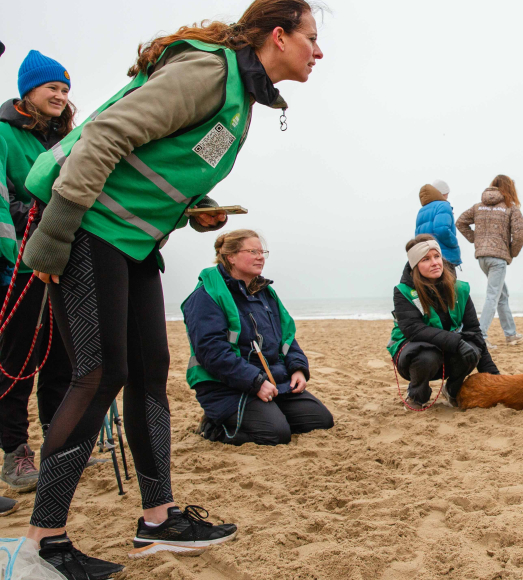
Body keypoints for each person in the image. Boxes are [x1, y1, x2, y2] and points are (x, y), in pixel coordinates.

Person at [19, 0, 324, 575]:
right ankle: (42, 544)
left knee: (148, 372)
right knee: (98, 373)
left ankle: (159, 521)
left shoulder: (240, 94)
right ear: (279, 36)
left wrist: (195, 206)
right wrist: (56, 233)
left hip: (134, 242)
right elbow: (107, 134)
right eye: (312, 37)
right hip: (90, 228)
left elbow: (158, 158)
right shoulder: (209, 71)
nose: (320, 51)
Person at [0, 51, 76, 495]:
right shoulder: (6, 135)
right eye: (53, 88)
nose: (61, 97)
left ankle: (59, 443)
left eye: (65, 91)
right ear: (28, 90)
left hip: (62, 265)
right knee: (17, 361)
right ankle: (15, 451)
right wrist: (14, 255)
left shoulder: (63, 140)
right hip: (22, 265)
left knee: (62, 359)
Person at [182, 230, 333, 446]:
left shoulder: (264, 293)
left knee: (321, 420)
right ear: (230, 257)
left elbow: (286, 338)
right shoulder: (206, 296)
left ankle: (268, 414)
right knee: (276, 434)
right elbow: (211, 352)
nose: (260, 257)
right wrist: (255, 381)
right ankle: (213, 427)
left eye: (262, 252)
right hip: (225, 387)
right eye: (253, 251)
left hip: (271, 382)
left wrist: (298, 368)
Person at [388, 235, 499, 408]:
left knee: (472, 348)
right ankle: (418, 395)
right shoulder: (403, 292)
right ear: (415, 265)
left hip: (448, 350)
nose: (434, 263)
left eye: (437, 256)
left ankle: (452, 391)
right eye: (426, 259)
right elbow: (414, 330)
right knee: (428, 356)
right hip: (414, 354)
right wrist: (457, 342)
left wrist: (494, 377)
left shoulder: (459, 289)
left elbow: (475, 331)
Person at [456, 175, 523, 348]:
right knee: (493, 296)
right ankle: (481, 336)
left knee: (502, 294)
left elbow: (460, 222)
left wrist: (477, 240)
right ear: (509, 188)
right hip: (498, 258)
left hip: (483, 258)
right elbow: (520, 235)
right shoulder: (511, 208)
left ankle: (511, 335)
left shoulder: (478, 207)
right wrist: (511, 252)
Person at [415, 180, 461, 268]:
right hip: (444, 256)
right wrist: (454, 243)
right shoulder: (443, 205)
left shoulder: (422, 211)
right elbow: (442, 230)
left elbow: (418, 236)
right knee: (449, 281)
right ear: (443, 193)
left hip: (426, 258)